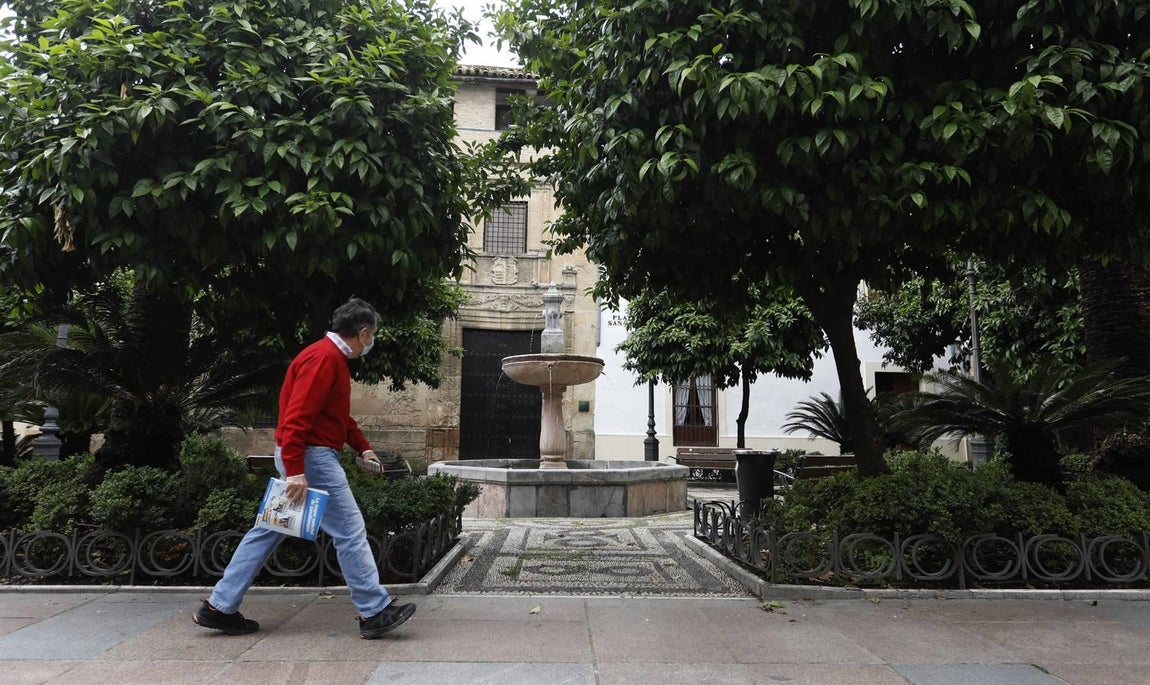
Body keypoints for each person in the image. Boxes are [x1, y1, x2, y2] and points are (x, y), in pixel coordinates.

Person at [193, 298, 416, 639]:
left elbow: (337, 416)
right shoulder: (324, 359)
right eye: (372, 336)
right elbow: (296, 418)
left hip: (305, 456)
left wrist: (363, 447)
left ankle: (219, 607)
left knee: (269, 530)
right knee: (350, 530)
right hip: (312, 459)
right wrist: (297, 470)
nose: (371, 343)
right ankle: (373, 611)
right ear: (364, 332)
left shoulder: (326, 357)